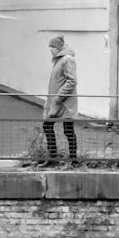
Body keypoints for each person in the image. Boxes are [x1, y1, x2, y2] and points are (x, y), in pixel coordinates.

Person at [42, 35, 78, 163]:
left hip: (64, 103)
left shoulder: (67, 59)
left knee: (64, 129)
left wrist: (58, 98)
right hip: (59, 102)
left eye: (52, 47)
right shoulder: (59, 60)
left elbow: (72, 81)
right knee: (51, 126)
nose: (50, 49)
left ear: (59, 48)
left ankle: (70, 158)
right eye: (49, 47)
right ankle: (56, 157)